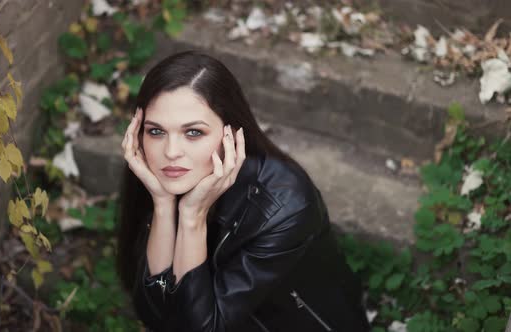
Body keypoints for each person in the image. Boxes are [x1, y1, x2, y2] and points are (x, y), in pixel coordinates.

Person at [116, 50, 370, 332]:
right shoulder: (160, 180)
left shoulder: (284, 206)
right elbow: (155, 311)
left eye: (193, 133)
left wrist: (191, 217)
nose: (171, 152)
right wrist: (163, 207)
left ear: (231, 133)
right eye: (155, 132)